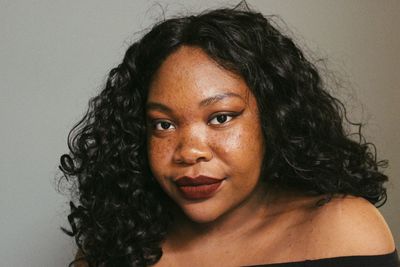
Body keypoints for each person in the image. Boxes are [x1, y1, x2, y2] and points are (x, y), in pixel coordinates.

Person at [59, 2, 399, 267]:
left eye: (220, 118)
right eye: (163, 124)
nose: (190, 152)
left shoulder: (342, 230)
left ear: (273, 119)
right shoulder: (115, 248)